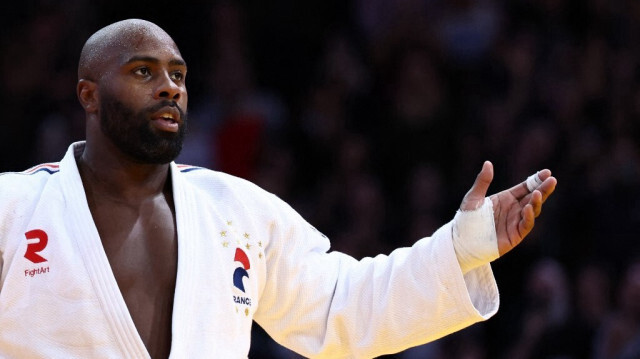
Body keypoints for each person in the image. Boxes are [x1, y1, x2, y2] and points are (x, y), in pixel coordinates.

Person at [0, 19, 557, 358]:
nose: (169, 87)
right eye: (143, 72)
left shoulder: (235, 211)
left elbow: (345, 305)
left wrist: (463, 247)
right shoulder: (15, 208)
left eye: (178, 74)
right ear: (89, 95)